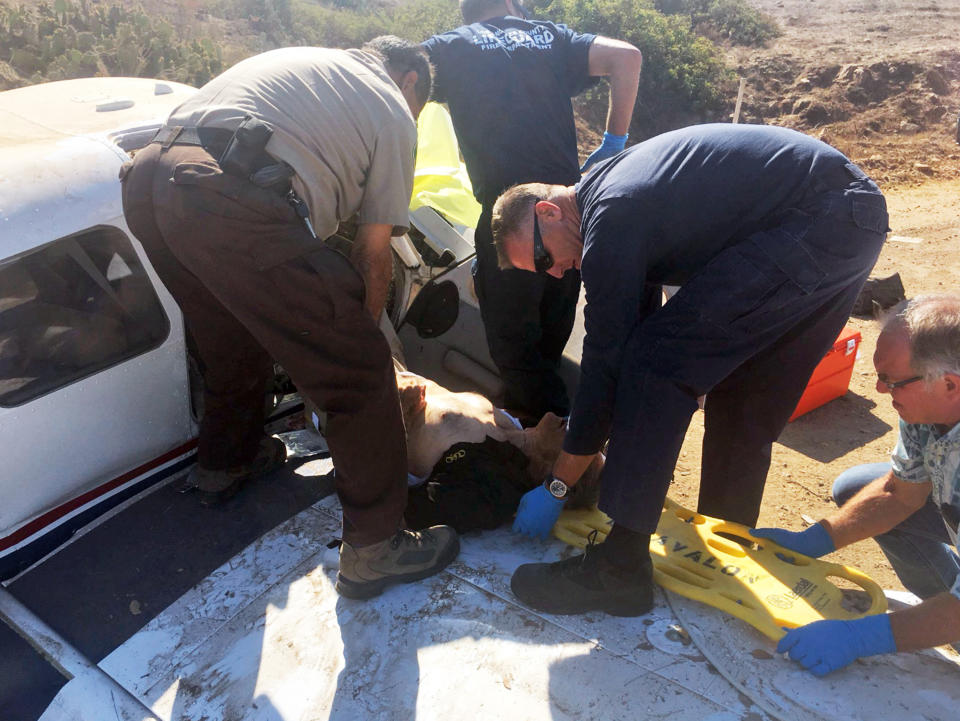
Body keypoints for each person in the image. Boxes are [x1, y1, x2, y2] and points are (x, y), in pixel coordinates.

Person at [490, 123, 889, 616]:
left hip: (817, 217)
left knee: (657, 361)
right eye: (542, 270)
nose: (554, 272)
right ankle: (724, 543)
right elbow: (619, 343)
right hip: (851, 218)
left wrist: (558, 484)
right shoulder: (618, 197)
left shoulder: (609, 215)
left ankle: (618, 571)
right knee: (745, 393)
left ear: (548, 211)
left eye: (541, 256)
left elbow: (608, 362)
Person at [120, 37, 459, 600]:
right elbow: (373, 254)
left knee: (228, 335)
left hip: (150, 180)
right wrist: (357, 347)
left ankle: (226, 462)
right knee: (359, 371)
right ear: (410, 83)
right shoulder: (393, 108)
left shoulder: (306, 63)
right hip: (226, 194)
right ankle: (376, 549)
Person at [423, 0, 642, 422]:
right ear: (511, 4)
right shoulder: (552, 37)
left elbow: (395, 75)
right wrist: (615, 142)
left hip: (507, 221)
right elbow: (627, 57)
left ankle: (551, 440)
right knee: (551, 334)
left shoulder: (452, 47)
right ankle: (562, 430)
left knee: (515, 348)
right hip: (565, 211)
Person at [753, 294, 960, 675]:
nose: (881, 391)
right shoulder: (930, 405)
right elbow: (897, 495)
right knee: (857, 487)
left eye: (891, 381)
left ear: (949, 385)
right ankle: (944, 606)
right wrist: (813, 541)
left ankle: (948, 617)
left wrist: (861, 637)